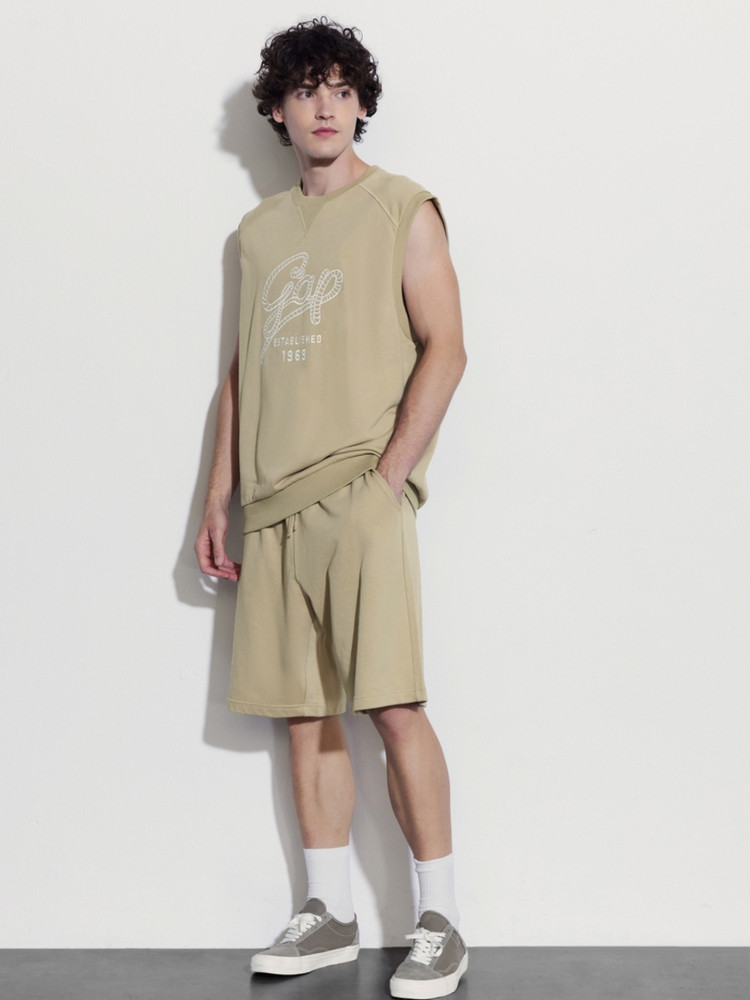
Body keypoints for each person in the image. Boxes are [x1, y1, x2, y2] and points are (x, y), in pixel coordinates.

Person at [195, 18, 467, 999]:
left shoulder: (402, 207)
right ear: (277, 109)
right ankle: (330, 912)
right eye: (306, 89)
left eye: (341, 89)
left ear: (361, 105)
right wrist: (219, 495)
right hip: (270, 504)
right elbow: (244, 371)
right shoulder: (258, 233)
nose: (324, 106)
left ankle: (441, 919)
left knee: (393, 704)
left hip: (359, 491)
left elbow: (447, 347)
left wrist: (388, 479)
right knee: (301, 715)